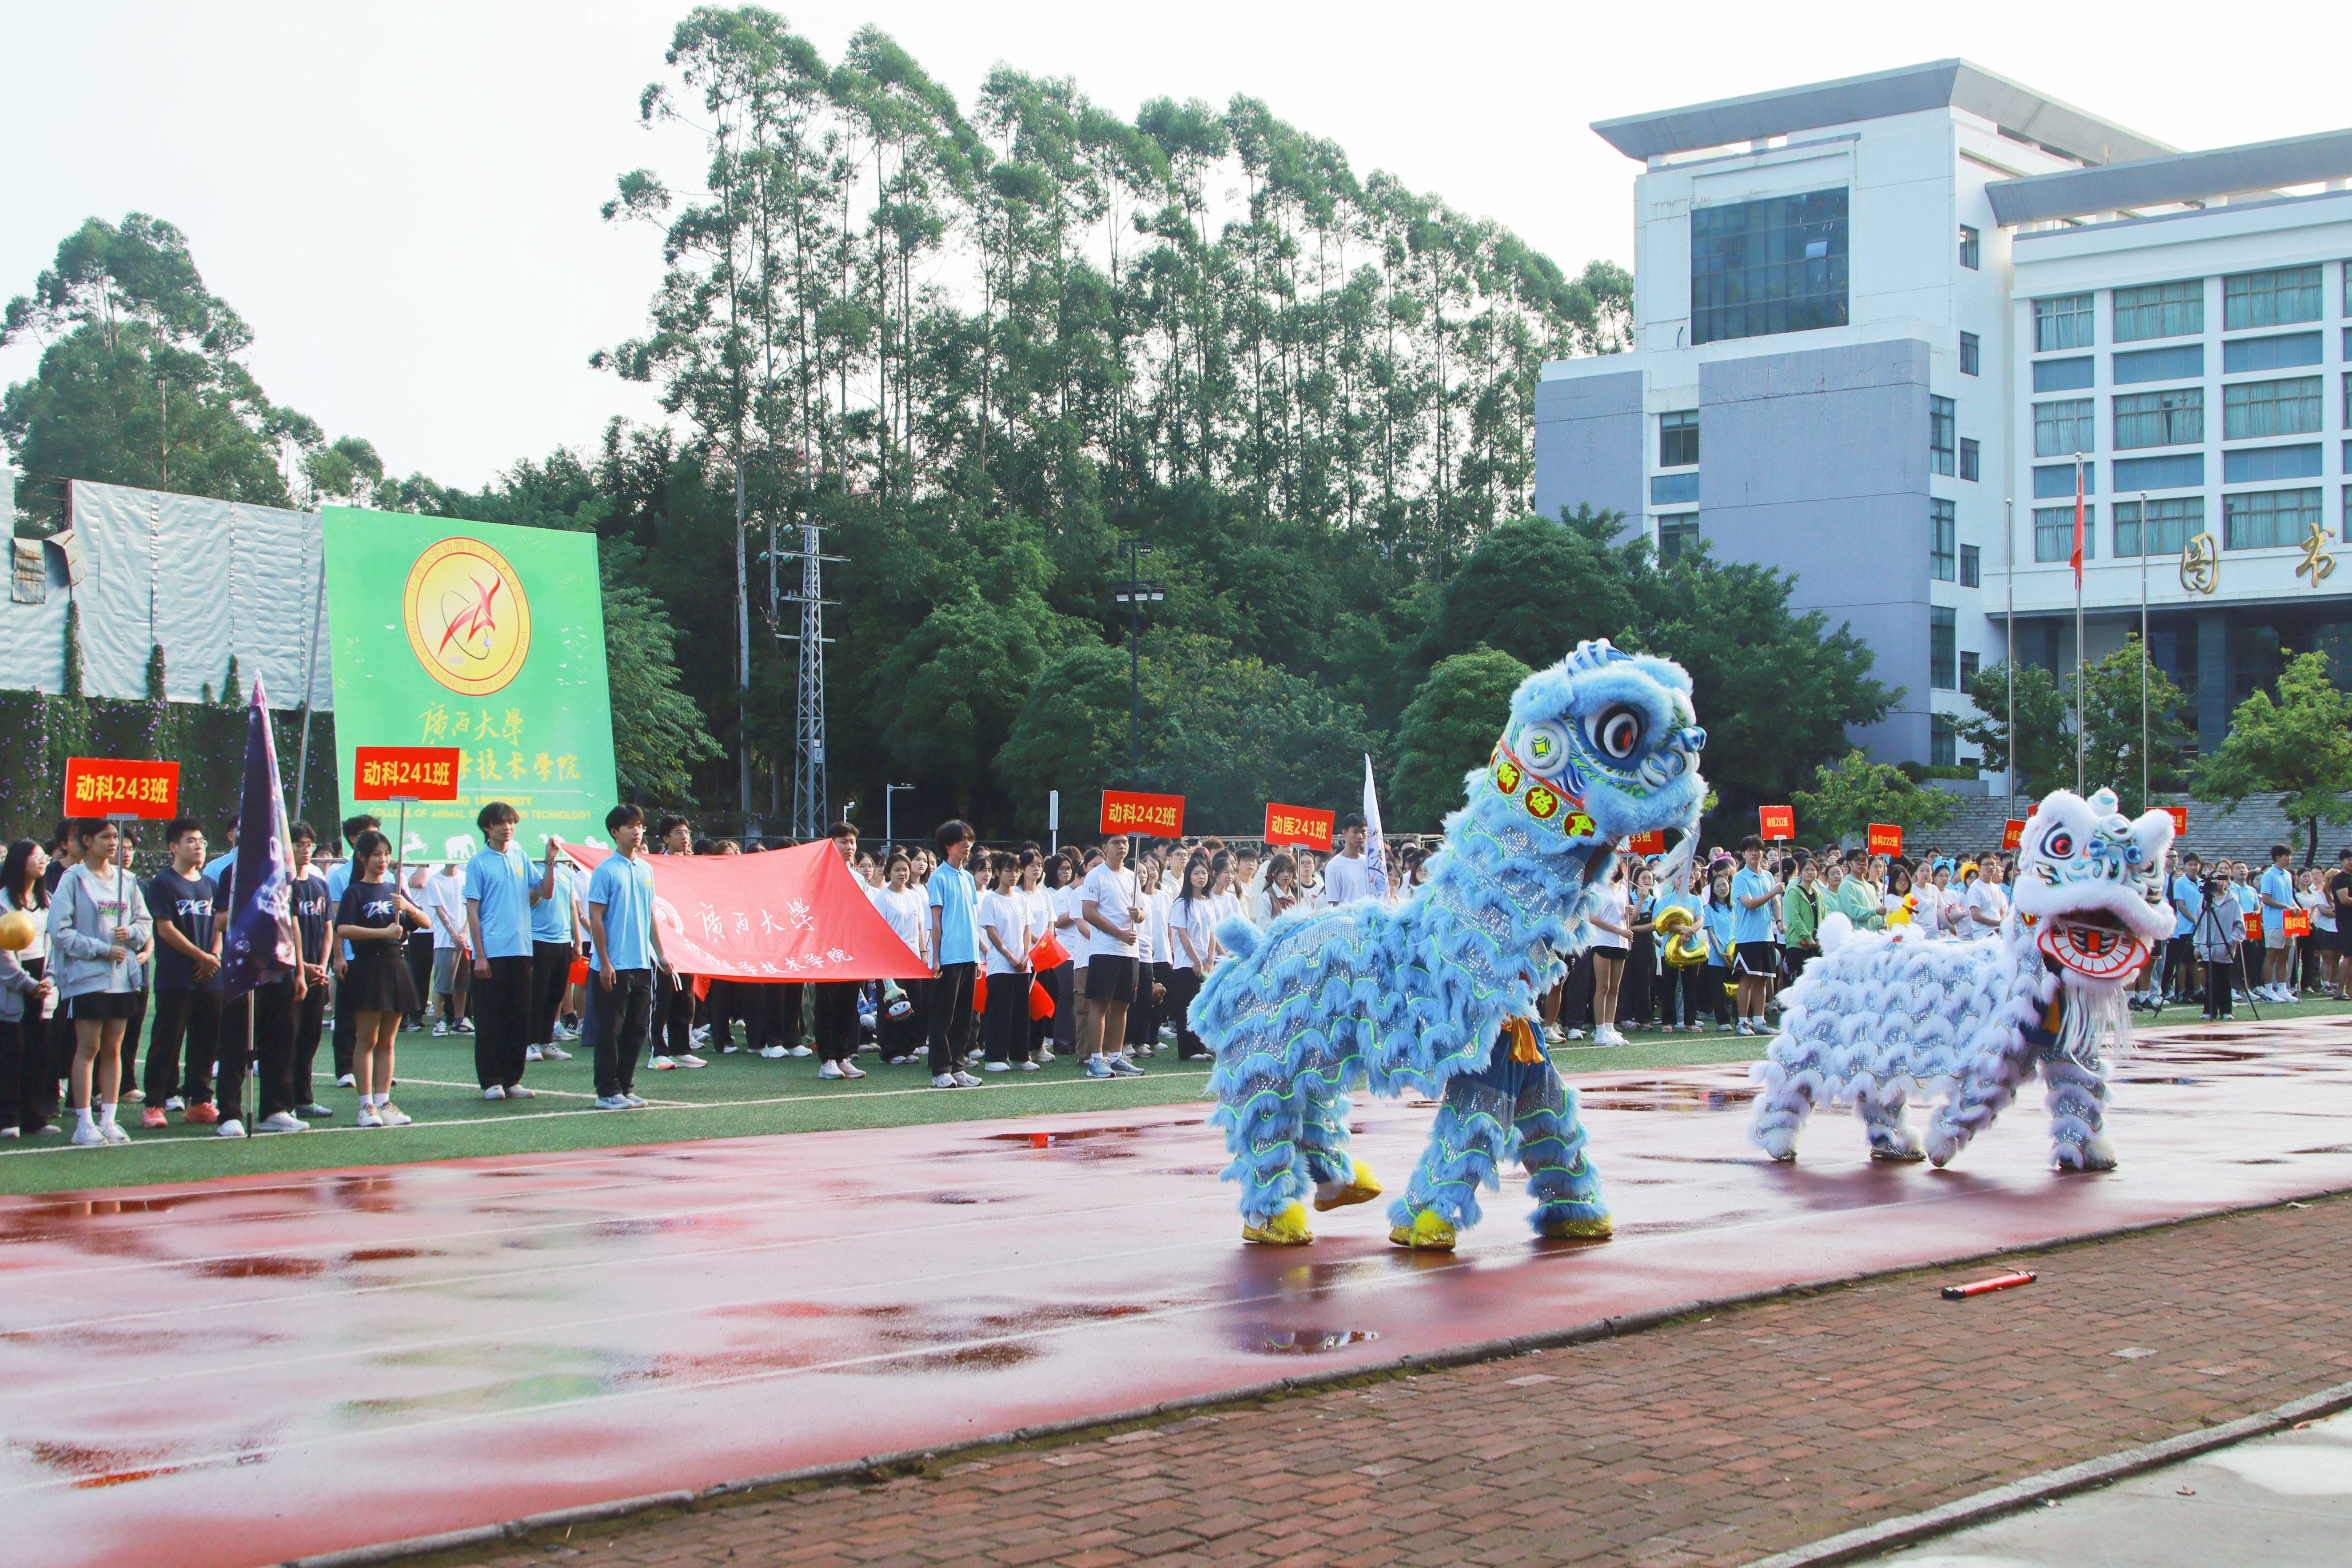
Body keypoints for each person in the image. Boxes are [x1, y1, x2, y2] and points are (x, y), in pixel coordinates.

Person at [48, 819, 152, 1147]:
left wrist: (131, 933)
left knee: (113, 1048)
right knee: (89, 1047)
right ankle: (83, 1123)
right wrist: (101, 949)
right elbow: (60, 930)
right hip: (88, 978)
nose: (113, 843)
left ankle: (108, 1120)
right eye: (105, 837)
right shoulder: (73, 879)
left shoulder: (128, 880)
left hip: (123, 978)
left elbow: (145, 923)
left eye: (116, 837)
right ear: (87, 841)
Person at [335, 830, 426, 1128]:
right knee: (368, 1039)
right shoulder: (355, 892)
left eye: (386, 854)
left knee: (388, 1041)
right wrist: (383, 933)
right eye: (376, 854)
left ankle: (384, 1102)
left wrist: (409, 907)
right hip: (367, 967)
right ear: (362, 857)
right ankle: (366, 1105)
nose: (382, 860)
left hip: (396, 965)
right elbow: (343, 929)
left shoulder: (395, 889)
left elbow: (425, 921)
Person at [141, 818, 224, 1128]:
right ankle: (155, 1103)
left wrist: (214, 956)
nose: (198, 846)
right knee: (168, 1040)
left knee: (206, 1041)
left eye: (202, 841)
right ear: (174, 847)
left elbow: (220, 923)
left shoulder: (210, 884)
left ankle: (200, 1100)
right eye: (191, 841)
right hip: (176, 975)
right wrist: (201, 956)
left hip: (210, 975)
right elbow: (165, 929)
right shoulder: (164, 883)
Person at [464, 803, 549, 1100]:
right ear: (487, 827)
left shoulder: (520, 856)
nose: (507, 827)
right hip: (492, 951)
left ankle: (513, 1079)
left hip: (521, 949)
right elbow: (473, 911)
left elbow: (543, 892)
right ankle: (491, 1081)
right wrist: (480, 955)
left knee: (519, 1016)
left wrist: (551, 863)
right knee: (490, 1017)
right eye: (501, 822)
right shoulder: (478, 863)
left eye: (511, 822)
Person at [585, 805, 666, 1110]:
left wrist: (661, 954)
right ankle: (606, 1091)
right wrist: (604, 962)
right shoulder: (605, 871)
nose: (637, 831)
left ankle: (625, 1085)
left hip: (641, 962)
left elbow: (651, 914)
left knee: (636, 1028)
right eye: (630, 826)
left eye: (640, 826)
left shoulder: (646, 869)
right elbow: (596, 917)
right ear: (614, 832)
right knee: (611, 1030)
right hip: (614, 964)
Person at [0, 840, 58, 1138]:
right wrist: (27, 983)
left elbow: (55, 943)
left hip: (42, 983)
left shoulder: (47, 900)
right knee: (11, 1053)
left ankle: (35, 1117)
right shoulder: (3, 902)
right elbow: (3, 956)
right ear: (19, 861)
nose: (42, 861)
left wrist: (49, 979)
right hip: (13, 984)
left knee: (39, 1051)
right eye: (36, 857)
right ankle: (8, 1119)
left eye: (44, 857)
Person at [1080, 830, 1147, 1079]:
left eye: (1125, 842)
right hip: (1105, 949)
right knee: (1100, 1004)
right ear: (1105, 847)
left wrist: (1139, 915)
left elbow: (1142, 912)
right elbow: (1089, 912)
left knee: (1122, 1004)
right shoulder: (1096, 876)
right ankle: (1097, 1059)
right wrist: (1119, 933)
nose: (1122, 846)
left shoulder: (1132, 877)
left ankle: (1117, 1056)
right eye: (1116, 842)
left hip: (1129, 951)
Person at [924, 820, 984, 1089]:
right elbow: (936, 922)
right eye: (963, 841)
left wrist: (978, 956)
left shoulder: (968, 878)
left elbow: (972, 917)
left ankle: (959, 1067)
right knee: (943, 1016)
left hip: (969, 955)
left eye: (970, 840)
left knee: (964, 1016)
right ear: (949, 846)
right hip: (949, 956)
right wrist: (936, 958)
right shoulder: (938, 878)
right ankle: (941, 1070)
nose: (968, 845)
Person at [286, 823, 335, 1118]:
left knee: (310, 1036)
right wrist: (301, 965)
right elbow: (285, 930)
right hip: (292, 973)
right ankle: (284, 1101)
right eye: (299, 844)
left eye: (309, 844)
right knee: (288, 1038)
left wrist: (323, 965)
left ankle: (304, 1097)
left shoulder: (319, 884)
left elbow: (329, 927)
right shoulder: (284, 884)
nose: (305, 850)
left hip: (317, 973)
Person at [811, 822, 866, 1078]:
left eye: (852, 842)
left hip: (852, 948)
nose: (849, 847)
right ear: (831, 844)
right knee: (827, 1005)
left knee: (848, 1003)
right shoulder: (819, 874)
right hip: (827, 948)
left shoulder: (858, 878)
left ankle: (844, 1056)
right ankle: (827, 1060)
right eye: (843, 842)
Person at [976, 851, 1035, 1073]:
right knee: (999, 1012)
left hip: (1022, 965)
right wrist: (1009, 956)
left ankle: (1020, 1056)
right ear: (998, 873)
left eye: (1017, 871)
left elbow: (1027, 930)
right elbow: (991, 932)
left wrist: (1025, 955)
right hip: (1000, 965)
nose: (1014, 875)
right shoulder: (991, 900)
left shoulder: (1021, 899)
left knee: (1021, 1012)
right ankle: (995, 1057)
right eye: (1009, 871)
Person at [872, 851, 930, 1065]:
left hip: (913, 960)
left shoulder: (914, 896)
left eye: (905, 870)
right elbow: (879, 931)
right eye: (897, 870)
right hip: (891, 961)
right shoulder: (883, 898)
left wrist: (924, 953)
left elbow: (921, 928)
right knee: (892, 1005)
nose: (902, 874)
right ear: (889, 873)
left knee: (913, 1004)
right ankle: (891, 1050)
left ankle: (908, 1047)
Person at [526, 831, 578, 1066]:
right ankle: (530, 1042)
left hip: (563, 940)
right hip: (538, 939)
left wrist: (577, 940)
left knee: (556, 994)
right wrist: (548, 866)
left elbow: (572, 907)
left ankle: (547, 1041)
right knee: (537, 993)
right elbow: (533, 900)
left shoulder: (567, 872)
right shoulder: (532, 869)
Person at [1730, 836, 1780, 1036]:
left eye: (1758, 850)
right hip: (1748, 937)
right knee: (1748, 978)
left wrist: (1779, 921)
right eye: (1750, 850)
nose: (1754, 853)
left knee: (1762, 979)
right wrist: (1773, 892)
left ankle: (1759, 1020)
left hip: (1766, 935)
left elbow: (1775, 902)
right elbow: (1749, 904)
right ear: (1743, 854)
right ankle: (1743, 1021)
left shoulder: (1767, 876)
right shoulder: (1740, 878)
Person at [1586, 857, 1632, 1047]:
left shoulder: (1623, 888)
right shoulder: (1595, 887)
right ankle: (1600, 1032)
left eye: (1616, 866)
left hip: (1621, 943)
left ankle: (1610, 1028)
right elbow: (1594, 918)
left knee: (1615, 988)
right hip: (1602, 940)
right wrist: (1618, 931)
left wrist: (1632, 910)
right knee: (1603, 987)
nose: (1613, 869)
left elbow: (1626, 919)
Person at [2191, 867, 2241, 1020]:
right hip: (2207, 945)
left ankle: (2226, 1010)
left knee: (2224, 979)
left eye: (2222, 879)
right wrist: (2197, 945)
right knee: (2210, 979)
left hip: (2225, 946)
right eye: (2215, 878)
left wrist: (2231, 942)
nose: (2218, 882)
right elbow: (2199, 924)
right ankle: (2209, 1010)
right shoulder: (2204, 901)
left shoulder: (2232, 901)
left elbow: (2240, 926)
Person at [2257, 845, 2296, 1003]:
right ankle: (2268, 990)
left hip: (2288, 921)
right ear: (2278, 857)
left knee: (2285, 956)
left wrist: (2295, 906)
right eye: (2287, 856)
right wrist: (2286, 907)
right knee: (2272, 956)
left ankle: (2282, 989)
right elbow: (2266, 899)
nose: (2290, 859)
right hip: (2274, 922)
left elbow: (2289, 897)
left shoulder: (2288, 875)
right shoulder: (2269, 875)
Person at [1781, 858, 1822, 981]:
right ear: (1800, 872)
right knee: (1796, 983)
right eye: (1806, 870)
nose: (1810, 872)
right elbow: (1795, 918)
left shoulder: (1818, 894)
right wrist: (1808, 938)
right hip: (1798, 944)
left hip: (1815, 945)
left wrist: (1819, 938)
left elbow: (1822, 917)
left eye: (1813, 870)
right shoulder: (1794, 892)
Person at [1323, 815, 1375, 906]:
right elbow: (1334, 903)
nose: (1360, 836)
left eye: (1363, 832)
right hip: (1346, 914)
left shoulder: (1368, 862)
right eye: (1355, 832)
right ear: (1345, 833)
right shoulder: (1334, 865)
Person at [1967, 854, 2011, 941]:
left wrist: (2004, 923)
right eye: (1986, 864)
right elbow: (1976, 916)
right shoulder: (1976, 888)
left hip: (1998, 934)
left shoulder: (1997, 888)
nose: (1990, 867)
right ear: (1979, 868)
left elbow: (2001, 912)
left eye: (1993, 864)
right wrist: (1998, 923)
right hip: (1983, 935)